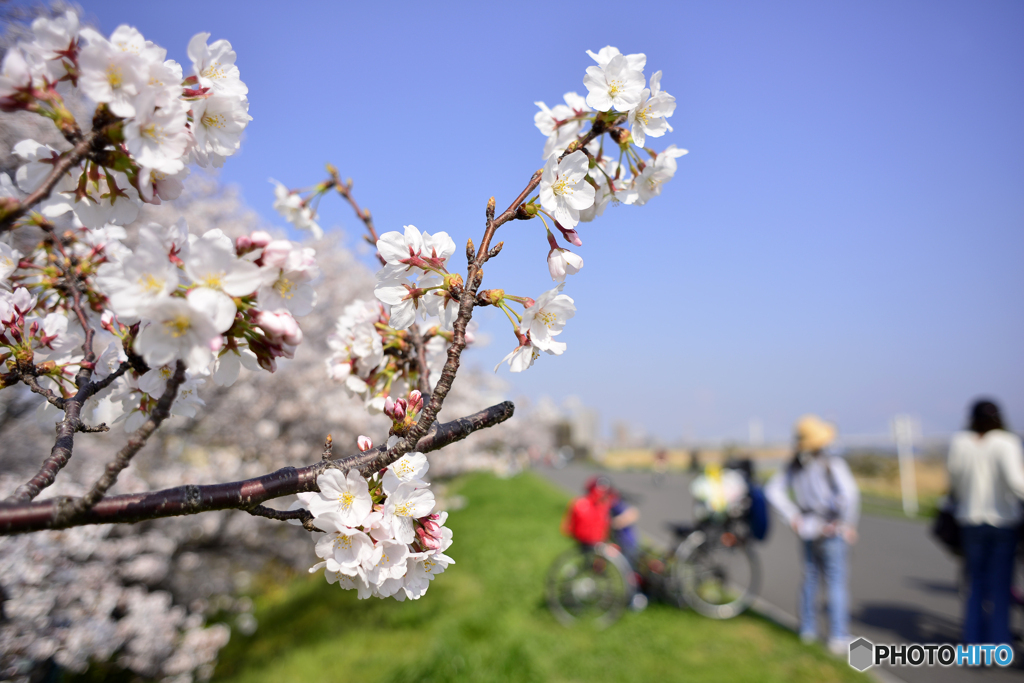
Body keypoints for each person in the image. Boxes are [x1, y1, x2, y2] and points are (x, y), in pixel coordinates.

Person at [765, 415, 860, 655]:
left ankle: (807, 630)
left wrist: (793, 517)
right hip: (830, 528)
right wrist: (847, 523)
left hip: (807, 526)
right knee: (835, 581)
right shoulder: (832, 463)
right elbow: (849, 496)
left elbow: (773, 491)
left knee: (810, 578)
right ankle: (838, 636)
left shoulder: (795, 465)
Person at [947, 399, 1024, 647]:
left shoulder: (960, 443)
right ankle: (998, 642)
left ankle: (972, 640)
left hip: (969, 520)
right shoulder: (1006, 442)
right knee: (1001, 586)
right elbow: (1015, 482)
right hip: (1003, 522)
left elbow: (954, 483)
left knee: (975, 583)